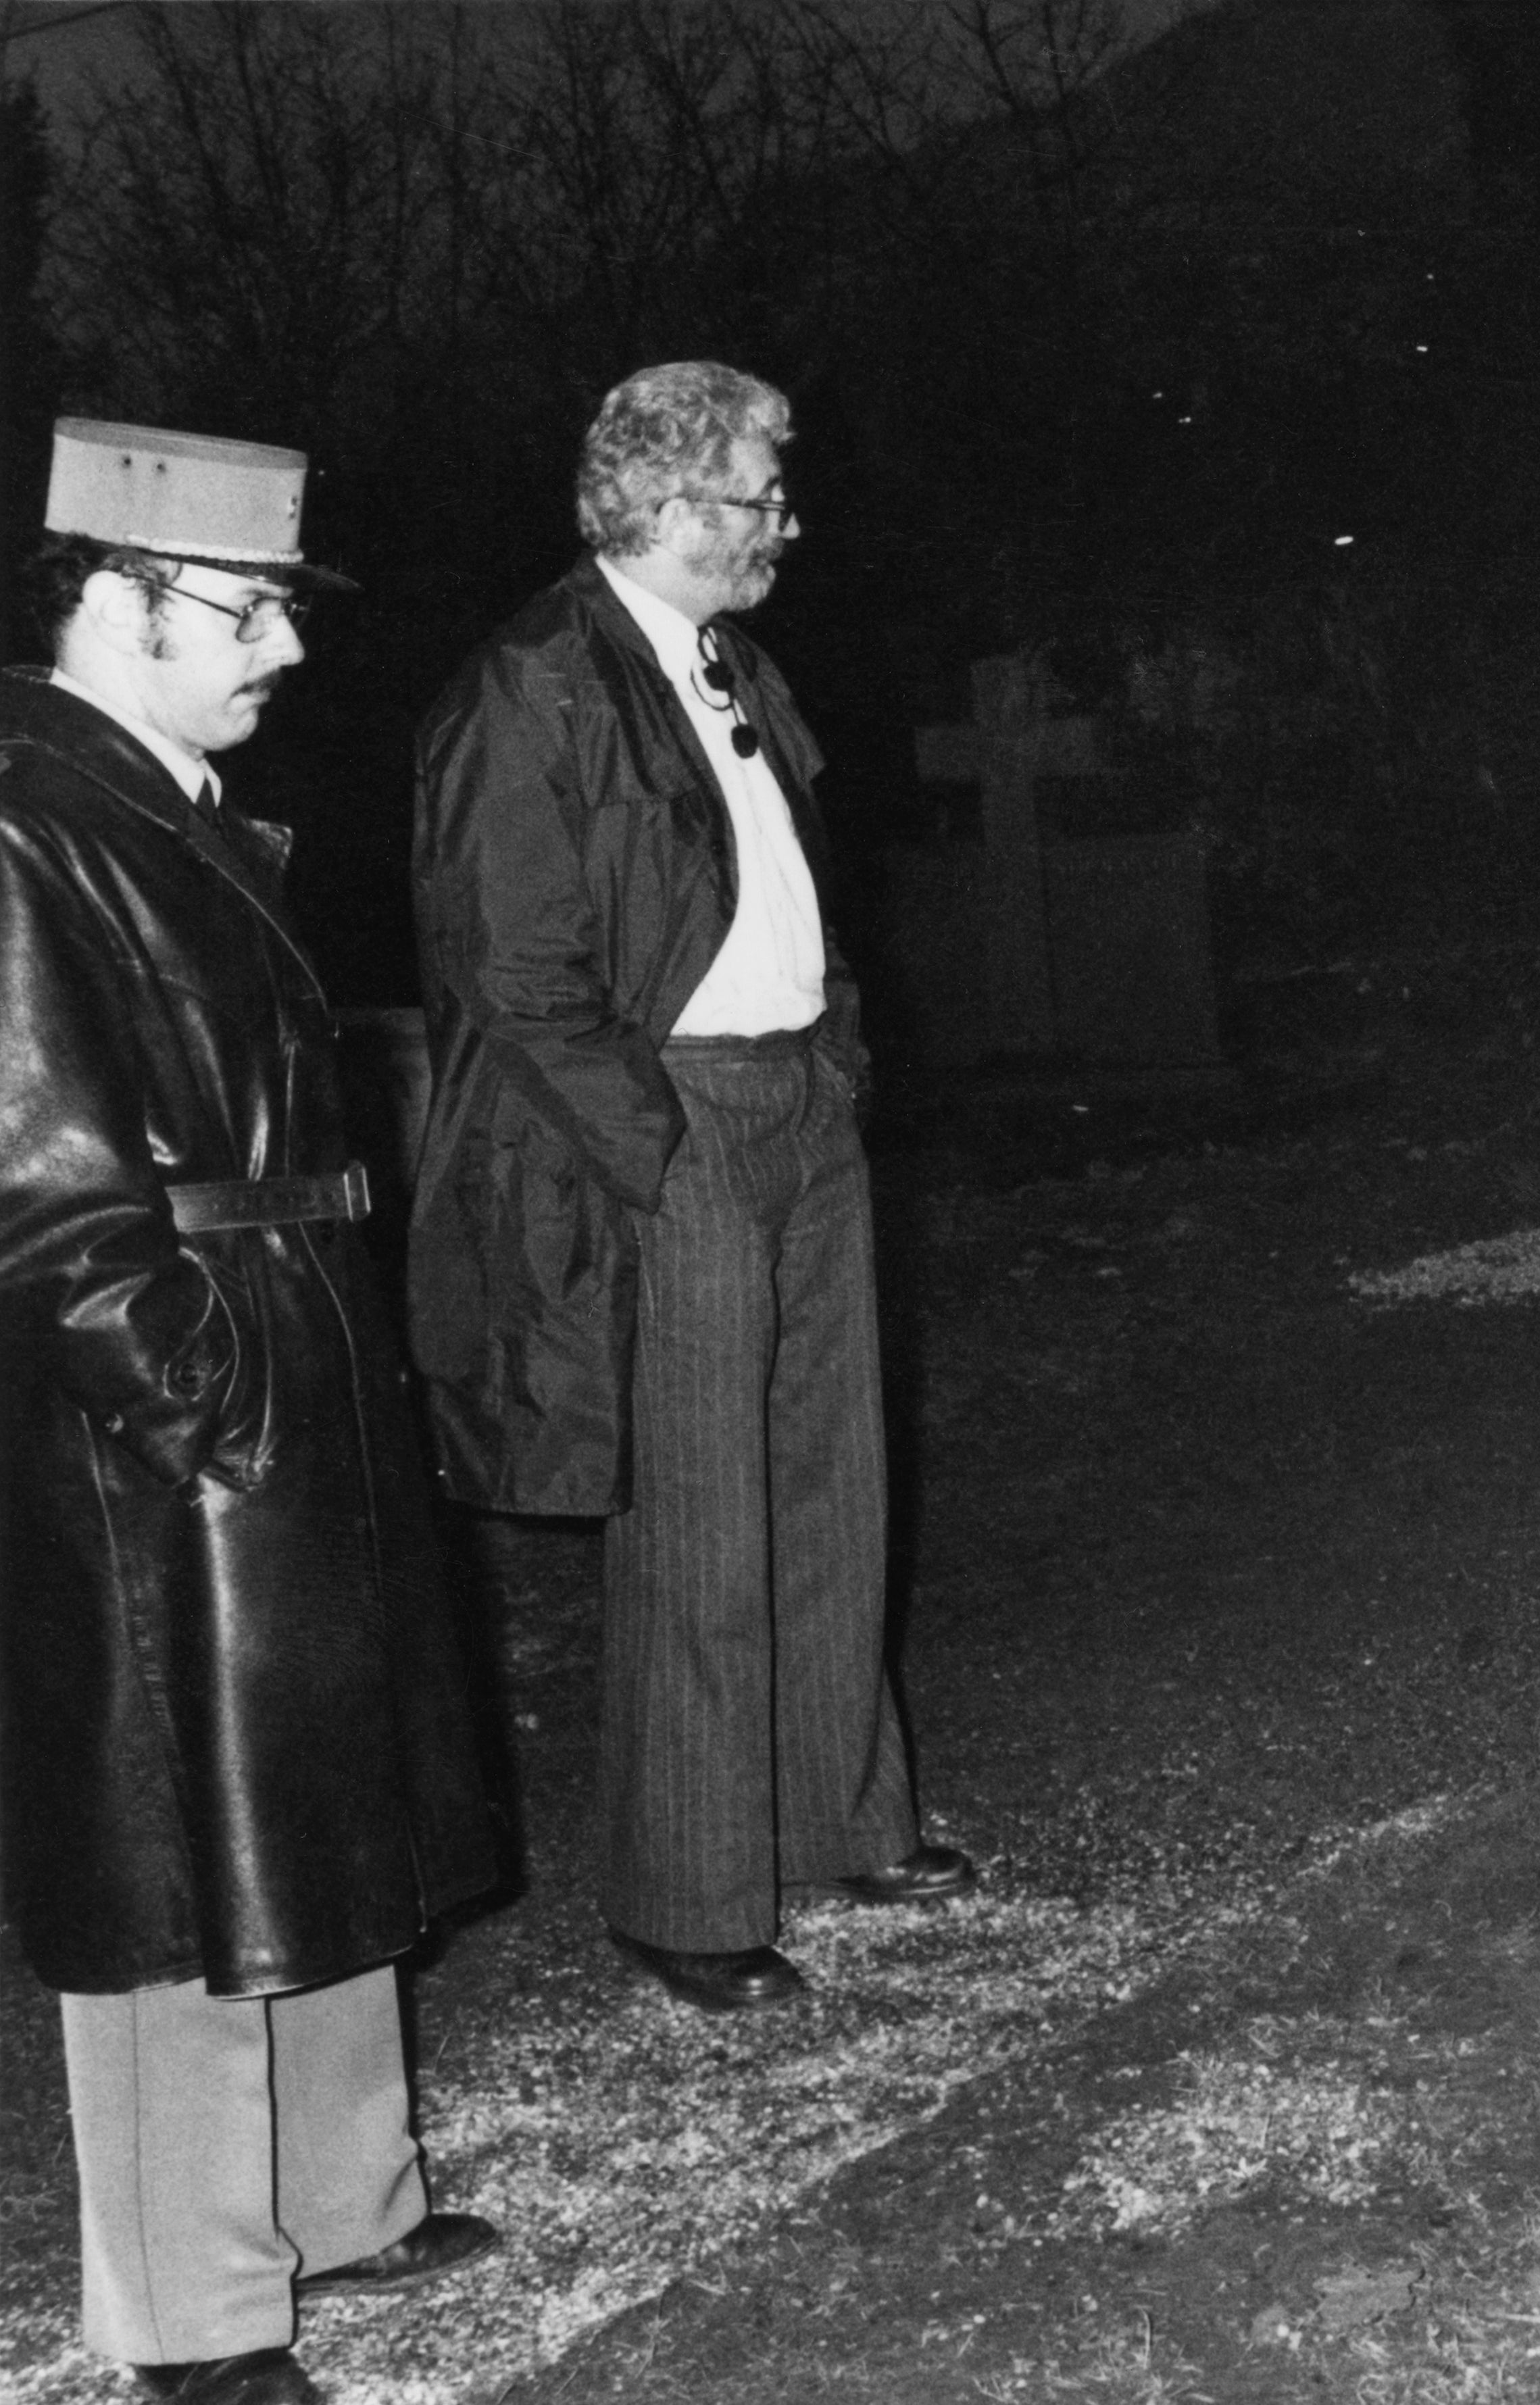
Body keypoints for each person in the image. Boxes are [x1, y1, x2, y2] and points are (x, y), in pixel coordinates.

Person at [0, 420, 501, 2405]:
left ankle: (345, 2197)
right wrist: (193, 1398)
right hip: (176, 1410)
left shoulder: (165, 801)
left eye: (287, 603)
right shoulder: (27, 819)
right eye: (244, 604)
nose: (281, 645)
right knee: (180, 1853)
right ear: (108, 602)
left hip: (285, 1350)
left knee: (319, 1790)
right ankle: (195, 2316)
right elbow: (38, 1190)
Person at [405, 362, 971, 2016]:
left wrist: (838, 1057)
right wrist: (652, 1148)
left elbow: (789, 880)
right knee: (703, 1515)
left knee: (828, 1472)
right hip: (678, 1123)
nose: (779, 525)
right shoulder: (535, 683)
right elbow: (509, 970)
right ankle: (691, 1889)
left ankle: (838, 1814)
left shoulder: (724, 654)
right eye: (753, 497)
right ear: (654, 504)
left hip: (796, 1095)